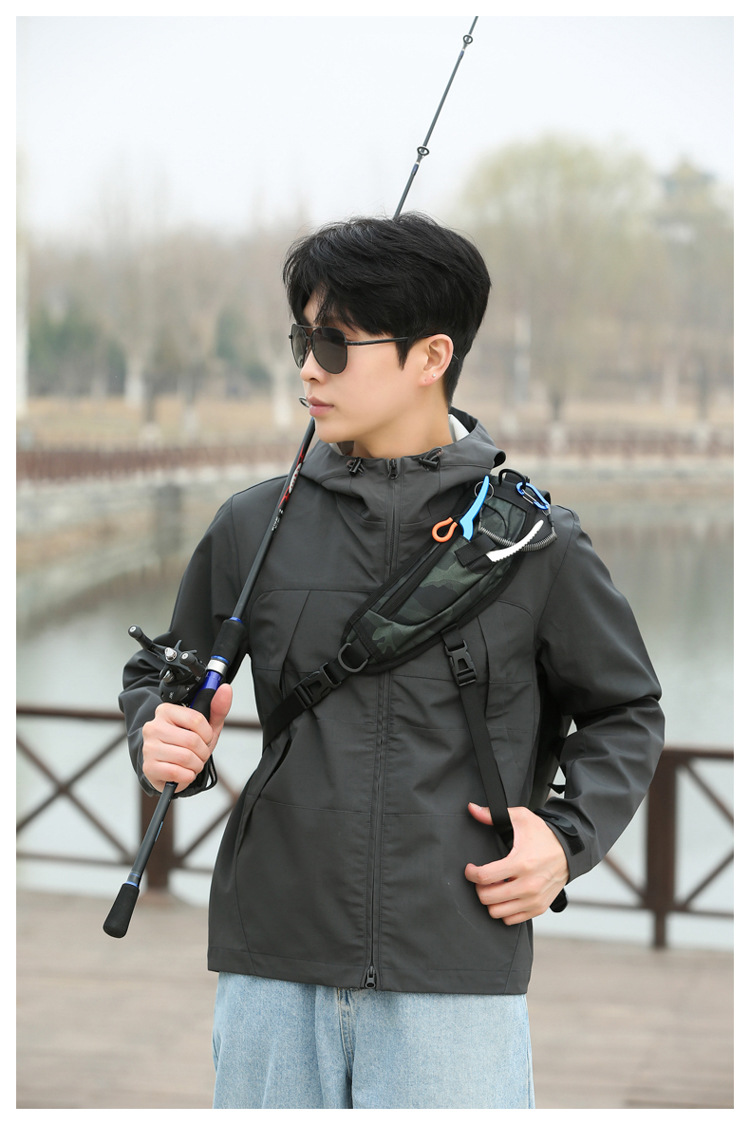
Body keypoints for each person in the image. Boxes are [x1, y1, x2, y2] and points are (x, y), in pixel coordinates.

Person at [120, 213, 664, 1110]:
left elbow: (626, 709)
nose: (308, 367)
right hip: (271, 962)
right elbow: (163, 673)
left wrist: (566, 839)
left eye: (334, 343)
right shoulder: (253, 524)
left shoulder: (537, 543)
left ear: (431, 355)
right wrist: (162, 731)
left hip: (457, 966)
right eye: (301, 340)